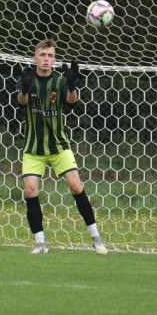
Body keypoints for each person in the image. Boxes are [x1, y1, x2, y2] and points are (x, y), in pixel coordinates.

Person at [17, 39, 107, 255]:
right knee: (30, 190)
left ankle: (96, 237)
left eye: (50, 55)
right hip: (33, 148)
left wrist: (73, 86)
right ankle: (40, 242)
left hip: (59, 145)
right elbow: (20, 102)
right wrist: (25, 90)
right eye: (42, 55)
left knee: (76, 186)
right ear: (35, 58)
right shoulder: (26, 77)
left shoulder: (60, 81)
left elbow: (71, 101)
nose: (46, 59)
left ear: (54, 59)